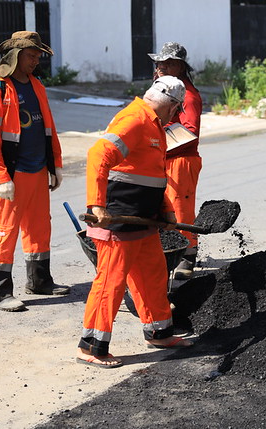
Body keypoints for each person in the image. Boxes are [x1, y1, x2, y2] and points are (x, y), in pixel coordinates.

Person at [77, 76, 194, 369]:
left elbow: (153, 175)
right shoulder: (135, 119)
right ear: (171, 103)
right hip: (118, 218)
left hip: (143, 220)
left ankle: (159, 333)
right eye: (177, 110)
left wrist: (166, 210)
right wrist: (97, 204)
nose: (176, 116)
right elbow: (98, 154)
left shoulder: (154, 125)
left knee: (153, 276)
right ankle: (91, 347)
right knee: (111, 283)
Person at [0, 31, 68, 312]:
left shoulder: (36, 85)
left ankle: (40, 281)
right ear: (15, 56)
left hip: (38, 170)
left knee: (40, 227)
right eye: (31, 55)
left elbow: (48, 127)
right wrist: (1, 177)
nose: (35, 60)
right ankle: (1, 292)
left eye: (38, 55)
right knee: (4, 230)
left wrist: (55, 165)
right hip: (12, 175)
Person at [148, 42, 203, 280]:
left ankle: (187, 256)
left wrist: (158, 146)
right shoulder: (165, 89)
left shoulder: (188, 97)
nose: (161, 67)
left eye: (167, 63)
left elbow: (189, 132)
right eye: (159, 62)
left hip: (181, 160)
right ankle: (171, 251)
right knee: (164, 208)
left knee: (181, 210)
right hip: (165, 158)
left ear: (179, 67)